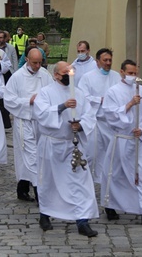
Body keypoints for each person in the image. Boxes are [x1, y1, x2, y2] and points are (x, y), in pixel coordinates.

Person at [34, 61, 99, 237]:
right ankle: (45, 214)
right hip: (52, 145)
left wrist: (81, 125)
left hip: (73, 145)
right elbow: (40, 113)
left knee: (81, 183)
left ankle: (82, 221)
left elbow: (89, 115)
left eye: (71, 72)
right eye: (65, 72)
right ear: (56, 74)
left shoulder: (79, 93)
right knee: (50, 183)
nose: (69, 75)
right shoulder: (46, 93)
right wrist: (62, 107)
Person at [101, 59, 142, 227]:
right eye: (130, 73)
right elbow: (110, 115)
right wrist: (129, 104)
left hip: (138, 140)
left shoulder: (141, 90)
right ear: (122, 72)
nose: (133, 76)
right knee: (115, 175)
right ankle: (110, 205)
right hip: (121, 140)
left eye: (135, 73)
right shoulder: (113, 92)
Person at [4, 47, 52, 202]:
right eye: (35, 63)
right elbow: (8, 100)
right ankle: (40, 193)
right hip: (24, 121)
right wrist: (28, 101)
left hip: (41, 122)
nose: (38, 66)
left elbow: (53, 93)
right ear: (27, 60)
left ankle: (23, 188)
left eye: (40, 62)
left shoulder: (45, 75)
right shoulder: (17, 77)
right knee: (30, 156)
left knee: (40, 155)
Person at [77, 48, 119, 184]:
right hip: (95, 122)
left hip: (111, 123)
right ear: (97, 62)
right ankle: (89, 181)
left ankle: (109, 180)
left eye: (110, 60)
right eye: (105, 60)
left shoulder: (116, 76)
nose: (108, 63)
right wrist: (100, 100)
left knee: (112, 154)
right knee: (92, 154)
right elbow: (83, 96)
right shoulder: (87, 78)